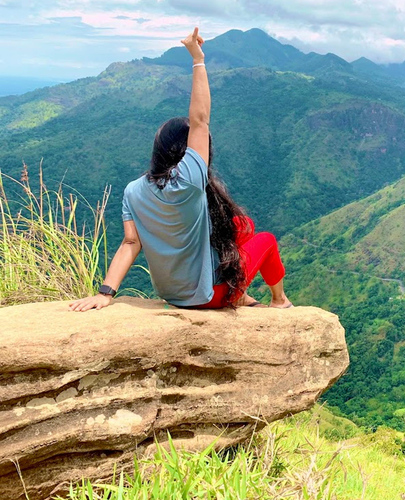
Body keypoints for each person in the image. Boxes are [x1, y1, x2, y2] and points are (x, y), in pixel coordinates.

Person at [69, 27, 291, 312]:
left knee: (239, 228)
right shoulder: (189, 179)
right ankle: (279, 301)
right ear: (189, 152)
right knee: (267, 240)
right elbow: (199, 120)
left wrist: (105, 294)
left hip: (172, 294)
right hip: (207, 296)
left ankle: (241, 294)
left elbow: (130, 243)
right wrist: (197, 59)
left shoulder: (133, 190)